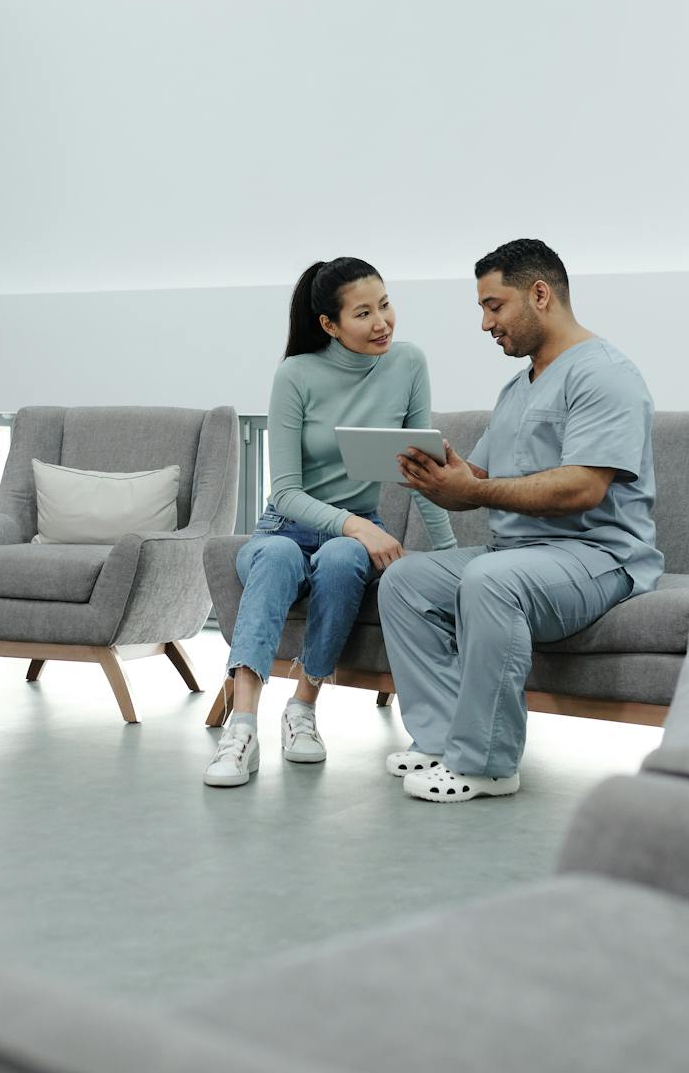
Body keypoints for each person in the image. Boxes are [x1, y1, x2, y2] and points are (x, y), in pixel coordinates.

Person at [381, 238, 661, 803]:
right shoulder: (518, 387)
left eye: (494, 305)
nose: (486, 323)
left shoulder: (604, 375)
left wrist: (475, 486)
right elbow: (480, 484)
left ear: (539, 295)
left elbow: (584, 486)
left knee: (492, 581)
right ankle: (439, 741)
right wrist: (442, 480)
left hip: (598, 558)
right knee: (405, 581)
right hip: (517, 556)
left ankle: (486, 763)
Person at [204, 257, 458, 788]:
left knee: (344, 559)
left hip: (352, 532)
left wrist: (451, 556)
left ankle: (302, 709)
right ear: (329, 324)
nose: (382, 322)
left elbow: (423, 470)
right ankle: (242, 726)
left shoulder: (408, 364)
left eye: (385, 304)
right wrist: (358, 526)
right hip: (284, 529)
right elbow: (286, 492)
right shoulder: (295, 375)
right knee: (276, 556)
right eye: (363, 313)